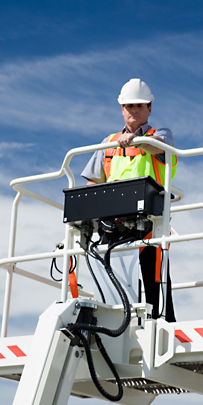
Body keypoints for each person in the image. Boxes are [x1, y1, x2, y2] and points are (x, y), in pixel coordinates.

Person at [81, 78, 177, 321]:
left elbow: (161, 149)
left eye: (139, 106)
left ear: (149, 109)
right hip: (113, 222)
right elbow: (93, 181)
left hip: (150, 222)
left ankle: (162, 323)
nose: (134, 111)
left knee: (154, 277)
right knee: (111, 276)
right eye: (129, 106)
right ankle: (116, 322)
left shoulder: (160, 135)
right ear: (122, 109)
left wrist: (137, 141)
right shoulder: (108, 143)